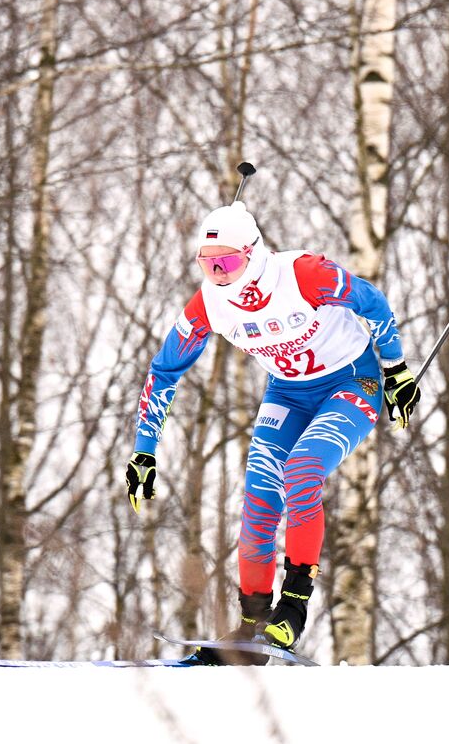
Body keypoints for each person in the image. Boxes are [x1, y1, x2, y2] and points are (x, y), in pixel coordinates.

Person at [124, 199, 419, 664]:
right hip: (288, 394)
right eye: (207, 263)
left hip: (351, 382)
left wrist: (397, 368)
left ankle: (293, 609)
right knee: (260, 497)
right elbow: (164, 371)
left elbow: (371, 301)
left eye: (228, 261)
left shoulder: (303, 275)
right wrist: (144, 451)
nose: (218, 273)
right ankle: (253, 622)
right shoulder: (209, 303)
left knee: (302, 470)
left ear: (254, 253)